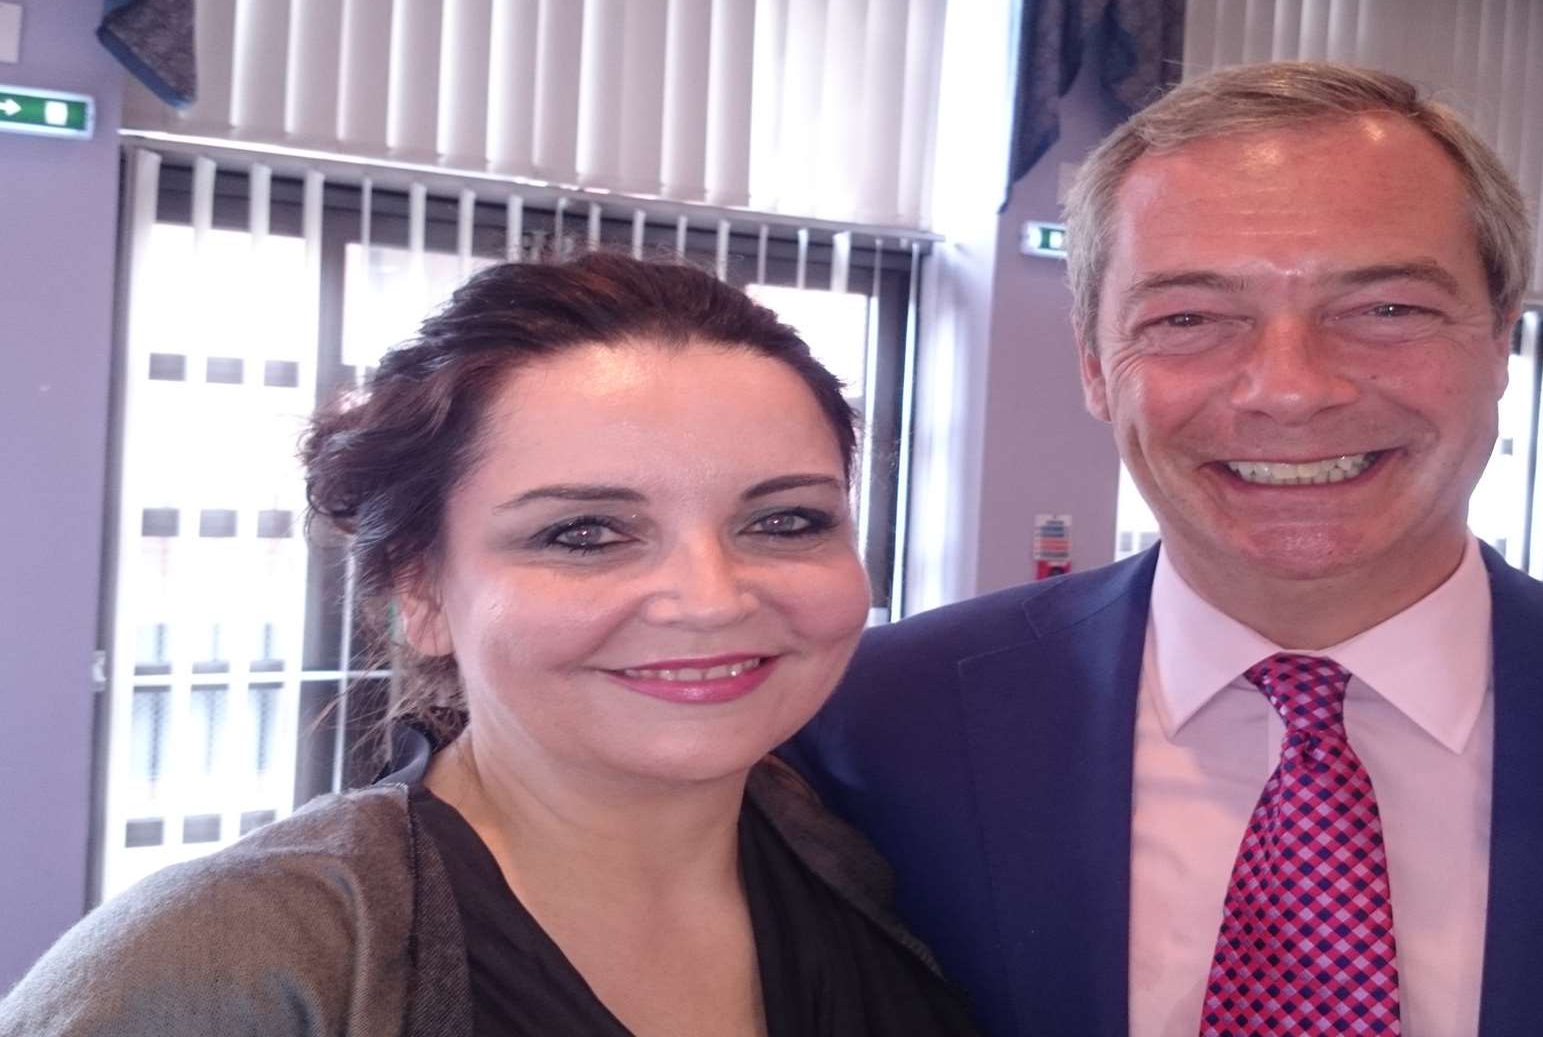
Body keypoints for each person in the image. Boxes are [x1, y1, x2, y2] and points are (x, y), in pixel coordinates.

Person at [784, 62, 1543, 1036]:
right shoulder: (861, 732)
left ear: (1501, 343)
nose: (1290, 389)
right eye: (1189, 317)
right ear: (1095, 365)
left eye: (1386, 309)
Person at [0, 253, 979, 1036]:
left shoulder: (902, 867)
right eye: (584, 533)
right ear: (422, 591)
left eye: (785, 522)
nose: (709, 599)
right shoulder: (224, 967)